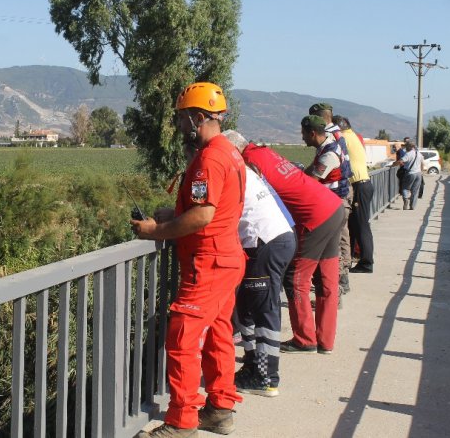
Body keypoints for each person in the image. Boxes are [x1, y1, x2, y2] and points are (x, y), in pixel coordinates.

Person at [131, 82, 246, 438]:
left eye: (182, 119)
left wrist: (153, 231)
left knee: (182, 338)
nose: (180, 127)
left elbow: (202, 216)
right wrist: (174, 212)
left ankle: (182, 422)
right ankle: (219, 409)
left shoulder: (209, 158)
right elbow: (206, 207)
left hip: (207, 261)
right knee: (218, 335)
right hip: (227, 257)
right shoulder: (229, 152)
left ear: (197, 118)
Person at [241, 141, 344, 355]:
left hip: (315, 215)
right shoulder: (263, 151)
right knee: (327, 281)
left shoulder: (247, 161)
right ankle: (326, 340)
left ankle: (304, 339)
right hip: (333, 206)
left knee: (296, 279)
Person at [222, 130, 296, 398]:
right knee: (249, 308)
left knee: (263, 310)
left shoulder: (234, 171)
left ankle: (266, 377)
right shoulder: (246, 170)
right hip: (275, 239)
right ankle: (253, 368)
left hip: (265, 243)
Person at [301, 115, 351, 305]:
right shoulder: (327, 146)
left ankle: (333, 296)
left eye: (304, 134)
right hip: (333, 205)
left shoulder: (329, 154)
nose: (302, 138)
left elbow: (312, 180)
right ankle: (330, 295)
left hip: (333, 207)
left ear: (313, 133)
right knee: (330, 252)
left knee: (330, 253)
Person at [333, 115, 375, 274]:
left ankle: (366, 262)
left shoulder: (343, 138)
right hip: (363, 184)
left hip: (359, 185)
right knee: (356, 224)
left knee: (361, 225)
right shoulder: (353, 136)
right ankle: (359, 258)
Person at [392, 141, 423, 210]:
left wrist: (394, 164)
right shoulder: (419, 154)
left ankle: (406, 200)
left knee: (405, 188)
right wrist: (421, 172)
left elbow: (401, 161)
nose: (405, 148)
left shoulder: (408, 154)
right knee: (415, 190)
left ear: (409, 147)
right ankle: (412, 206)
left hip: (410, 173)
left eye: (406, 146)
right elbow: (422, 163)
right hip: (418, 174)